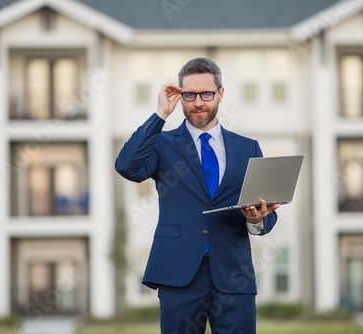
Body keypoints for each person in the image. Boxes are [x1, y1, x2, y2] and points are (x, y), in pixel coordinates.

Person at [115, 57, 279, 333]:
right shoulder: (163, 143)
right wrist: (160, 115)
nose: (198, 102)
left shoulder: (248, 148)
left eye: (206, 94)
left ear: (220, 94)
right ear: (180, 95)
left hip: (233, 275)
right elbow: (127, 167)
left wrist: (256, 219)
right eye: (189, 95)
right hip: (178, 273)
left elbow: (267, 213)